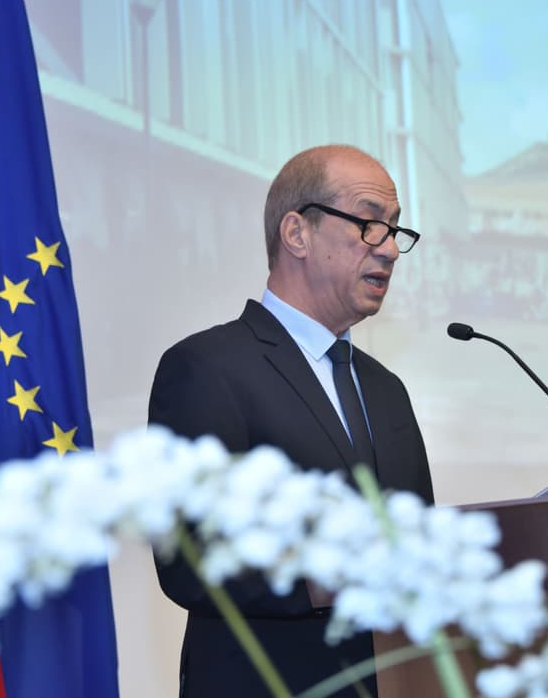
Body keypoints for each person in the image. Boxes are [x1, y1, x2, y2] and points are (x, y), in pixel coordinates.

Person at [149, 144, 435, 698]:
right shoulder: (205, 368)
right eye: (370, 223)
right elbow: (191, 558)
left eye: (397, 230)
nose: (392, 249)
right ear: (297, 233)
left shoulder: (386, 390)